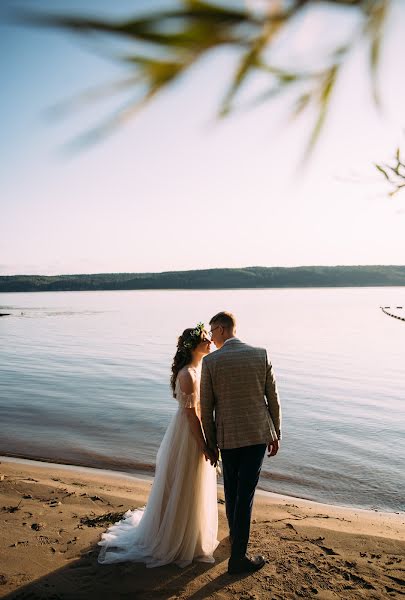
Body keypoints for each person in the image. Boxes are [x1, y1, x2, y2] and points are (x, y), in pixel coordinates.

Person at [98, 323, 219, 568]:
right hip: (188, 435)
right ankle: (176, 537)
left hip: (192, 431)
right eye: (205, 338)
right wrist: (204, 445)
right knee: (184, 482)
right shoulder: (188, 375)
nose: (210, 341)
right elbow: (191, 415)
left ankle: (191, 533)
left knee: (191, 483)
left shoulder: (200, 368)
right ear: (193, 346)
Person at [201, 311, 281, 575]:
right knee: (245, 493)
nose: (211, 338)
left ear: (223, 329)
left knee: (233, 490)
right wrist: (275, 432)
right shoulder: (261, 354)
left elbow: (207, 407)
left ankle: (237, 540)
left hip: (228, 436)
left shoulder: (211, 362)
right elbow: (273, 397)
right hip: (257, 434)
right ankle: (238, 557)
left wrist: (210, 444)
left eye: (213, 331)